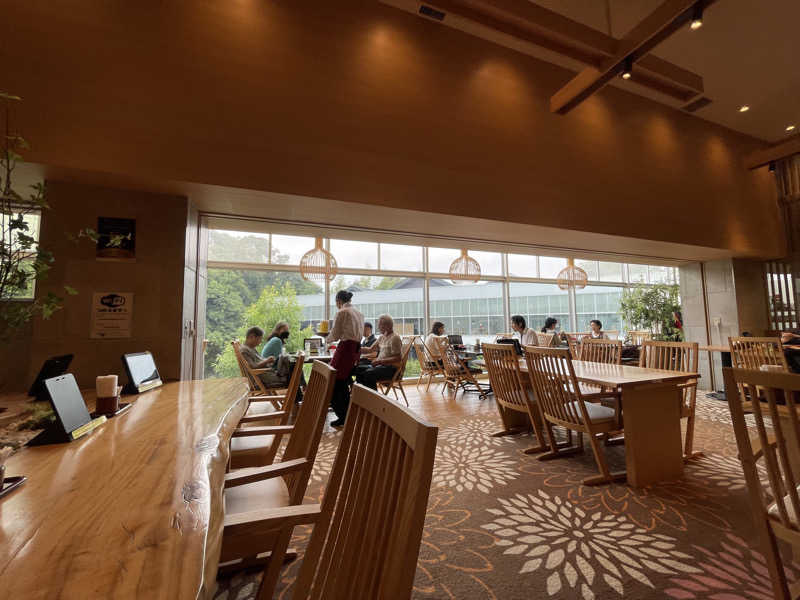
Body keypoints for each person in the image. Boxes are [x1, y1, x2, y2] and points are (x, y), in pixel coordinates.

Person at [327, 290, 365, 427]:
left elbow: (335, 335)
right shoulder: (359, 313)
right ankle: (347, 414)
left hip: (345, 349)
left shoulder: (342, 312)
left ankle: (343, 415)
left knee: (334, 381)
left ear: (338, 301)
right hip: (355, 350)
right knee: (343, 382)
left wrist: (326, 339)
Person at [355, 314, 402, 391]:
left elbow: (398, 358)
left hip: (392, 369)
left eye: (379, 325)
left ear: (387, 326)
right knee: (357, 369)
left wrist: (380, 361)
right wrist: (355, 348)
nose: (378, 327)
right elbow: (370, 349)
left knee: (368, 373)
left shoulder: (395, 338)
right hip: (380, 366)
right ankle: (363, 394)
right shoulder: (381, 337)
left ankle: (373, 396)